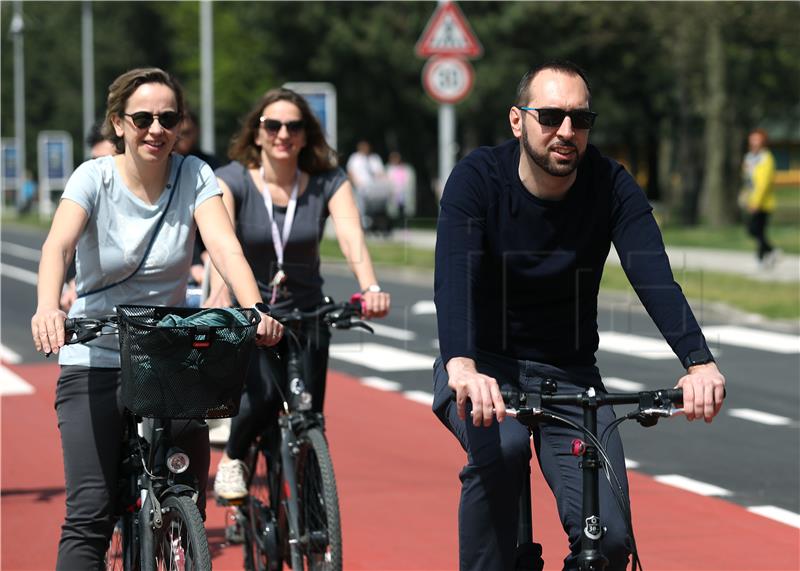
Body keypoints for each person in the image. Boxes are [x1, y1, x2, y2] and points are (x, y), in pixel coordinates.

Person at [432, 61, 727, 571]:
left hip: (569, 377)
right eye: (550, 116)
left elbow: (654, 277)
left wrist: (698, 361)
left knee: (610, 544)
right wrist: (461, 364)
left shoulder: (611, 185)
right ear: (517, 120)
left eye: (580, 119)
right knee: (500, 453)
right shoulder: (477, 180)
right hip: (482, 368)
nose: (566, 131)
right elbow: (453, 278)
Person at [29, 67, 284, 571]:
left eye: (168, 118)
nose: (156, 129)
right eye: (142, 117)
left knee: (182, 485)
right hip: (96, 351)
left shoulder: (194, 176)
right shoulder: (93, 177)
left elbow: (225, 246)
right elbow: (57, 245)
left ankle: (175, 525)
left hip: (163, 352)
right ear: (118, 124)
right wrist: (46, 307)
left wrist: (256, 308)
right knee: (90, 517)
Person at [208, 87, 391, 500]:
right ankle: (235, 457)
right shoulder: (233, 179)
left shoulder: (329, 182)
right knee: (265, 395)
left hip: (307, 315)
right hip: (253, 316)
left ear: (306, 135)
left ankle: (309, 508)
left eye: (294, 126)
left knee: (308, 411)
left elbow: (351, 236)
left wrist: (371, 287)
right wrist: (220, 292)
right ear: (257, 134)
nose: (283, 134)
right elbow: (223, 245)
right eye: (272, 125)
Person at [60, 123, 120, 313]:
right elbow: (64, 245)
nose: (98, 169)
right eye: (94, 161)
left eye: (105, 161)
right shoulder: (86, 185)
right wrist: (71, 284)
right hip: (91, 301)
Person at [741, 128, 779, 268]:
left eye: (757, 140)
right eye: (752, 140)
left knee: (756, 230)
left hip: (763, 202)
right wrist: (745, 197)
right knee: (756, 232)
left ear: (763, 142)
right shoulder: (749, 158)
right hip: (750, 200)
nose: (754, 143)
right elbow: (747, 180)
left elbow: (763, 184)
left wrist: (756, 202)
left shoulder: (766, 158)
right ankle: (765, 257)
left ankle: (767, 254)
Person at [346, 140, 391, 235]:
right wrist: (356, 184)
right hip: (360, 188)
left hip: (374, 189)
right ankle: (363, 225)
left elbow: (380, 173)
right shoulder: (355, 158)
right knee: (361, 207)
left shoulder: (374, 158)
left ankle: (379, 225)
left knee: (380, 205)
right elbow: (350, 172)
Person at [386, 151, 416, 226]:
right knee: (393, 211)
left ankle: (404, 225)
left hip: (404, 192)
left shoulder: (406, 168)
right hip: (393, 192)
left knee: (404, 210)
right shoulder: (388, 168)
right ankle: (395, 225)